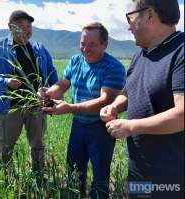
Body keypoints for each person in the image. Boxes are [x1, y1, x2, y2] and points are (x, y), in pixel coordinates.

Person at [100, 0, 184, 198]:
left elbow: (182, 115)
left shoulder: (180, 52)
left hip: (170, 172)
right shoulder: (141, 54)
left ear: (149, 15)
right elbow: (131, 90)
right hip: (139, 165)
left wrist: (131, 127)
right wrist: (115, 106)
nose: (128, 26)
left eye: (130, 18)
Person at [38, 22, 126, 198]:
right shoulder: (75, 60)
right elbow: (63, 84)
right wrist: (49, 92)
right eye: (83, 43)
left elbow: (105, 100)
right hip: (78, 124)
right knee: (74, 167)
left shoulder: (114, 67)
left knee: (100, 172)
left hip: (101, 126)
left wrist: (70, 108)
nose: (85, 49)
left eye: (91, 45)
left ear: (105, 45)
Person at [0, 10, 59, 174]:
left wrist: (53, 93)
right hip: (10, 106)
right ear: (10, 27)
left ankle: (38, 177)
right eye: (20, 26)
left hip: (37, 105)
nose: (25, 30)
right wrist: (5, 82)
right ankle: (1, 179)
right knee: (4, 146)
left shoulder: (39, 48)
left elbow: (52, 73)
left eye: (28, 26)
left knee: (38, 145)